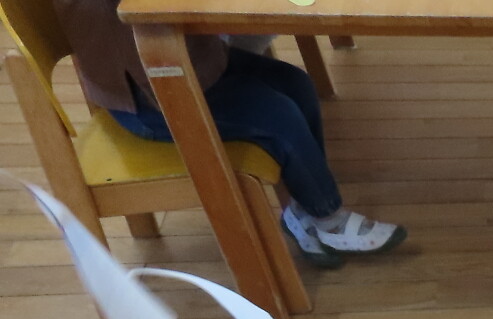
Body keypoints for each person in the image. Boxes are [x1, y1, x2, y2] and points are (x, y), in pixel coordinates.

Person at [55, 1, 405, 270]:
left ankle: (304, 208)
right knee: (279, 118)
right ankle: (328, 219)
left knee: (296, 85)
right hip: (152, 96)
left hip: (189, 62)